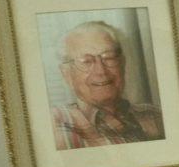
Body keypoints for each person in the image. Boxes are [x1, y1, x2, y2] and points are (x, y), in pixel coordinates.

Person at [52, 21, 165, 150]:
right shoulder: (56, 124)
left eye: (109, 58)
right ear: (66, 74)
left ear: (122, 64)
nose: (101, 71)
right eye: (86, 61)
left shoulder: (156, 115)